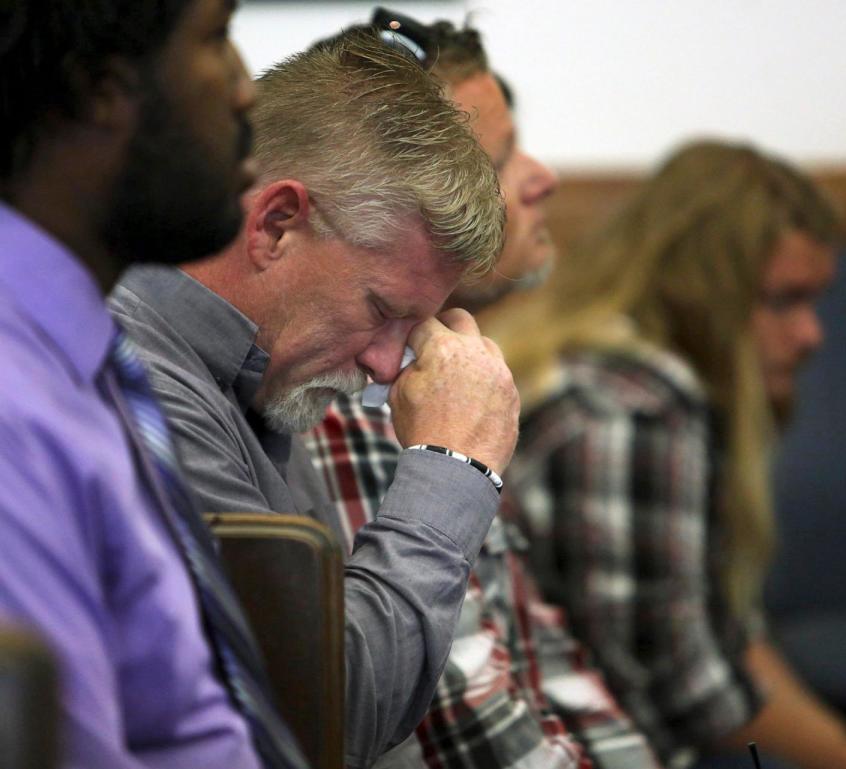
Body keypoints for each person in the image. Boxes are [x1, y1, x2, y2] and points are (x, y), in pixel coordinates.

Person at [109, 28, 519, 769]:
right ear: (276, 224)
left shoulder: (265, 375)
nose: (390, 362)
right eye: (381, 308)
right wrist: (453, 466)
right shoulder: (134, 377)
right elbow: (323, 720)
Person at [497, 139, 846, 769]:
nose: (813, 333)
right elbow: (687, 687)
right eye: (783, 301)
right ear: (700, 292)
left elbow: (722, 631)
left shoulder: (628, 381)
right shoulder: (634, 412)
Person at [307, 11, 660, 769]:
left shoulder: (456, 371)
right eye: (499, 158)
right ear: (412, 205)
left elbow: (552, 669)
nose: (544, 176)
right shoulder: (367, 398)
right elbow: (471, 734)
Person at [0, 1, 310, 768]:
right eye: (216, 38)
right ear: (99, 90)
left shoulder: (78, 357)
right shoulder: (14, 413)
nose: (246, 90)